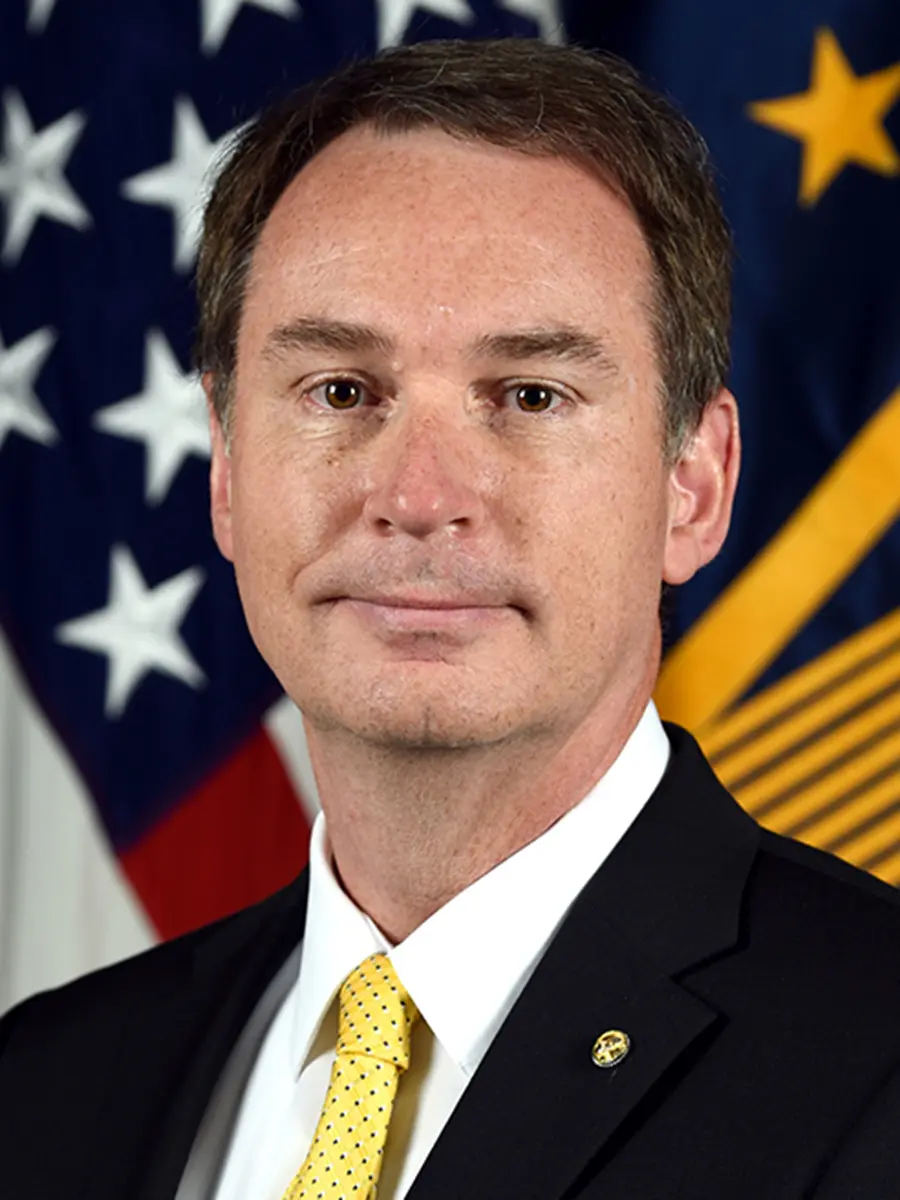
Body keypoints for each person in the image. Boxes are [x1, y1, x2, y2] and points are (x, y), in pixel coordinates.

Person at [2, 36, 900, 1200]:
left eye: (530, 395)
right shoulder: (46, 1084)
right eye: (340, 391)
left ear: (694, 485)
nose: (420, 497)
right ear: (225, 469)